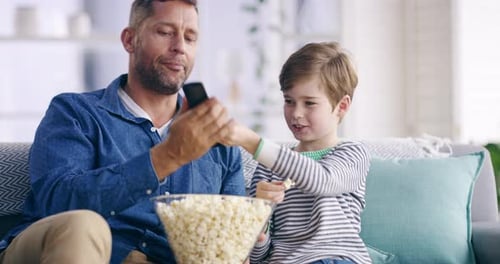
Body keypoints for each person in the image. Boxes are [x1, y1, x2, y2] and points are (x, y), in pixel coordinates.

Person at [0, 0, 245, 263]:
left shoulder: (219, 143)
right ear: (130, 40)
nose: (179, 47)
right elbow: (57, 202)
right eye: (165, 32)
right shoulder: (75, 113)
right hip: (65, 250)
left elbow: (231, 241)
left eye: (190, 37)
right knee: (83, 225)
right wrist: (167, 157)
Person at [221, 42, 372, 264]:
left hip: (336, 259)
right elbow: (257, 255)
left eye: (309, 103)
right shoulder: (268, 166)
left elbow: (323, 180)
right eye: (289, 101)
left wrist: (251, 141)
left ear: (341, 106)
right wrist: (260, 213)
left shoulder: (353, 153)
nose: (296, 113)